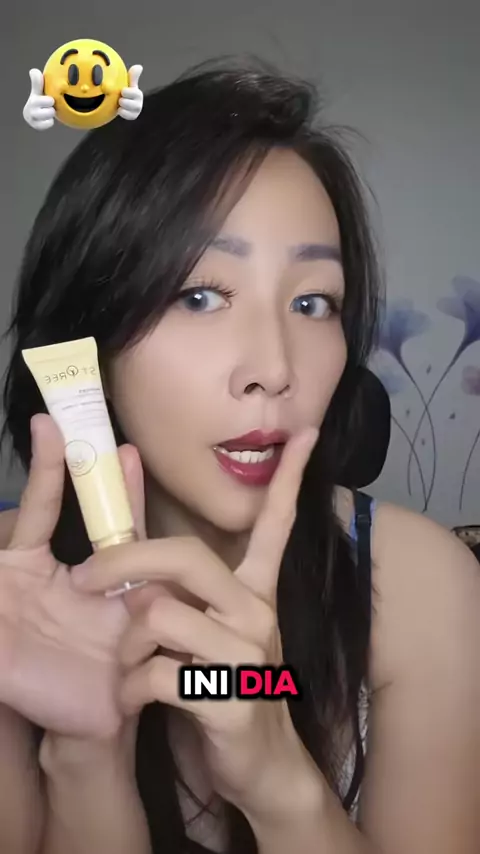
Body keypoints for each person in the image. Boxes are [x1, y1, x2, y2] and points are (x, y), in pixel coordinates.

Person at [0, 59, 479, 854]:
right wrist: (86, 758)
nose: (275, 368)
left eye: (312, 302)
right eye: (200, 296)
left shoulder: (423, 587)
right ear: (92, 336)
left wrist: (280, 784)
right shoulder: (13, 600)